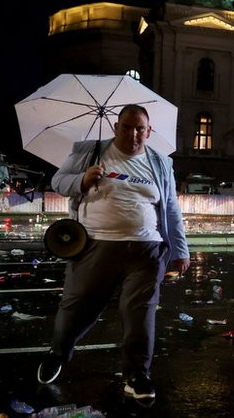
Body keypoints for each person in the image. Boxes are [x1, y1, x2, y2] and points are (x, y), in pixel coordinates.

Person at [37, 105, 190, 400]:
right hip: (96, 245)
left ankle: (137, 375)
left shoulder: (159, 162)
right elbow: (58, 182)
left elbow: (171, 207)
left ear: (149, 132)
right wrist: (81, 180)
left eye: (140, 129)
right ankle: (59, 352)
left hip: (147, 250)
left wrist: (180, 250)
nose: (133, 134)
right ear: (116, 127)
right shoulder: (90, 152)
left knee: (140, 313)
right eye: (127, 127)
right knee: (77, 307)